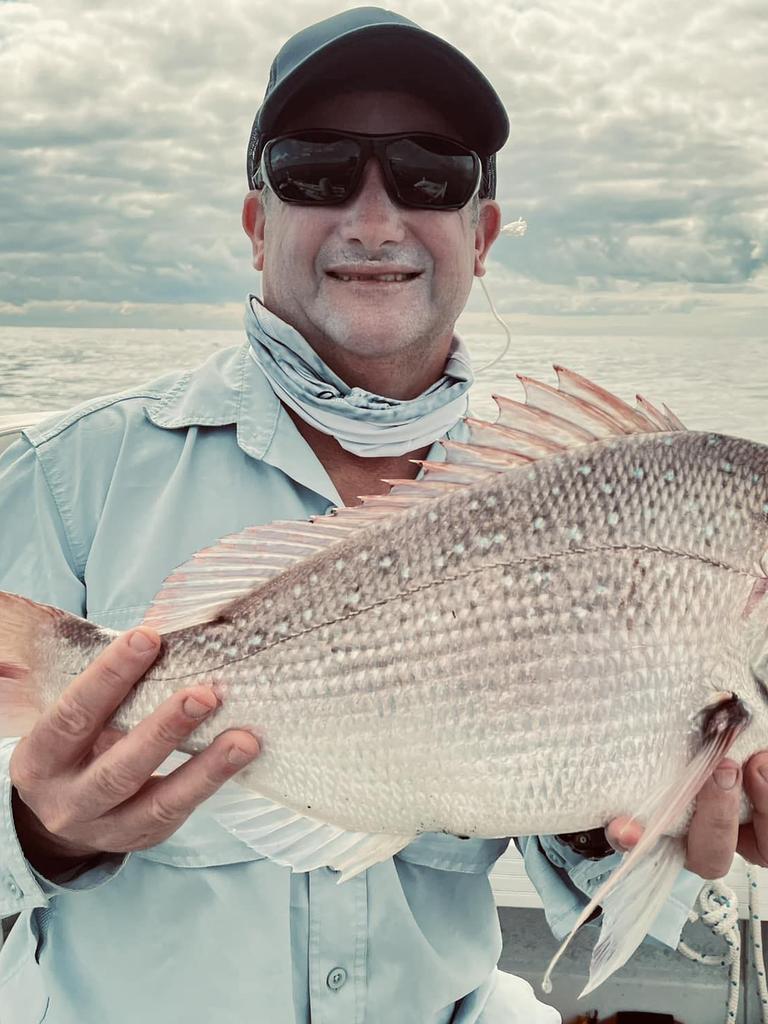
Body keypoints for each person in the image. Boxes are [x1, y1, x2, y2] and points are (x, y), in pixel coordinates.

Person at [0, 8, 766, 1023]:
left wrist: (623, 818)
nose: (374, 219)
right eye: (316, 171)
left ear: (481, 233)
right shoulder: (64, 476)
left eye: (431, 175)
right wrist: (41, 828)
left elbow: (576, 838)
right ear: (254, 221)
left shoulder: (548, 491)